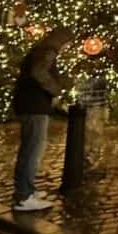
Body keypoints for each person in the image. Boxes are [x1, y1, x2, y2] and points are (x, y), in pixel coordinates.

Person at [11, 27, 72, 211]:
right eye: (67, 44)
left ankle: (26, 190)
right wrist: (55, 90)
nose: (67, 48)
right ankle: (24, 196)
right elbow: (39, 73)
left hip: (29, 105)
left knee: (29, 150)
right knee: (32, 152)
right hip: (34, 106)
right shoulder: (48, 51)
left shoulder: (39, 50)